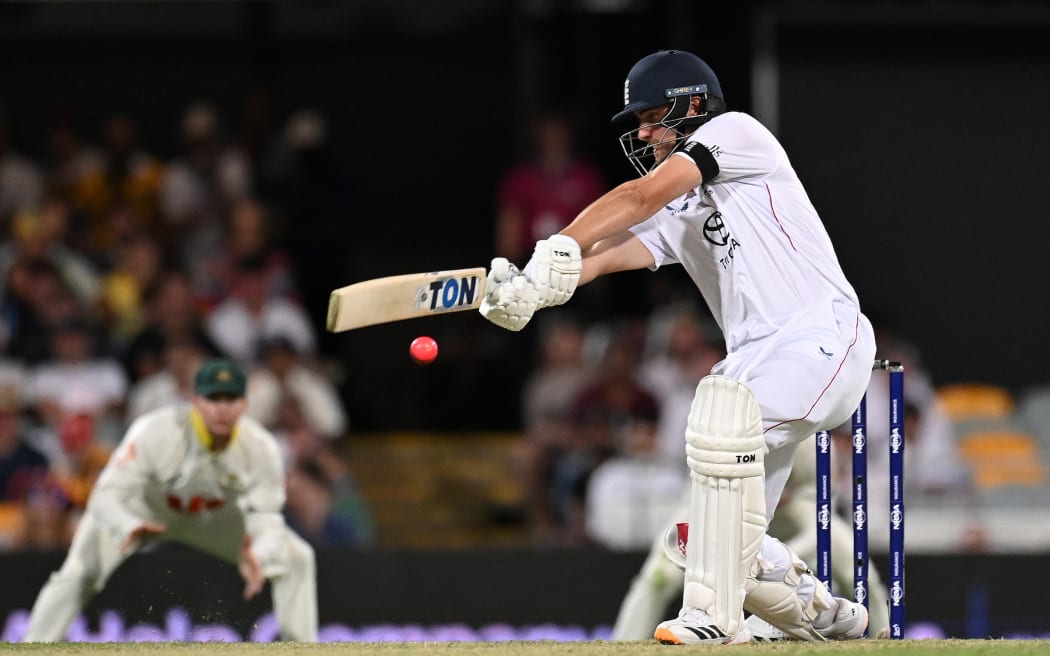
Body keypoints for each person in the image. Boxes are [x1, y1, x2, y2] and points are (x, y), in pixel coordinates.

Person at [479, 49, 877, 644]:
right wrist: (531, 286)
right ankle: (824, 615)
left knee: (722, 428)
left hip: (822, 337)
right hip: (756, 362)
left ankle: (711, 618)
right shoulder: (680, 206)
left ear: (691, 106)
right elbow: (604, 256)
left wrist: (558, 240)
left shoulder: (737, 134)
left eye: (650, 118)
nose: (642, 133)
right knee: (702, 537)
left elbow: (637, 198)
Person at [22, 359, 317, 642]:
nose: (222, 408)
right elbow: (106, 495)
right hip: (144, 510)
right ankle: (34, 646)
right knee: (79, 571)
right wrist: (127, 525)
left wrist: (260, 553)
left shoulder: (260, 448)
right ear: (195, 401)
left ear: (244, 404)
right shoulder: (155, 432)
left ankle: (302, 649)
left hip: (208, 518)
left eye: (231, 399)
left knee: (296, 557)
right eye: (213, 398)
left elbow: (266, 516)